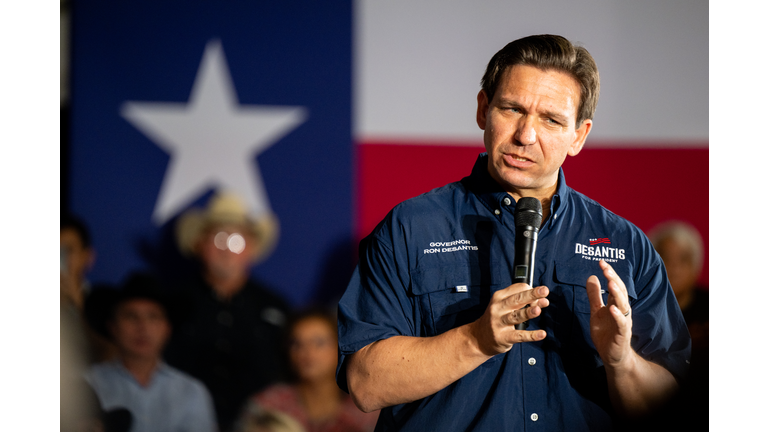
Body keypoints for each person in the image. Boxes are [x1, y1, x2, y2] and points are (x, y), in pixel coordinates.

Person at [336, 34, 691, 431]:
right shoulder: (410, 227)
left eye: (551, 120)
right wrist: (475, 340)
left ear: (579, 135)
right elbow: (365, 384)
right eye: (512, 109)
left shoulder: (627, 246)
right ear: (483, 108)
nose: (525, 135)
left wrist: (622, 361)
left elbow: (671, 412)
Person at [164, 191, 292, 431]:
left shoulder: (275, 307)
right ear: (199, 243)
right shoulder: (171, 304)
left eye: (237, 240)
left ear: (251, 247)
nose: (226, 249)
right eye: (218, 238)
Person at [84, 273, 217, 432]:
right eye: (131, 316)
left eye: (153, 317)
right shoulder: (87, 385)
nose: (143, 327)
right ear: (112, 327)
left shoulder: (192, 392)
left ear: (167, 329)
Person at [240, 310, 378, 432]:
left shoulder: (365, 410)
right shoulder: (268, 406)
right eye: (296, 344)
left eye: (319, 343)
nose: (306, 352)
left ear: (341, 347)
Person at [648, 220, 708, 430]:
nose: (673, 267)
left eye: (683, 259)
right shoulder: (635, 309)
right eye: (665, 256)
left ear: (696, 264)